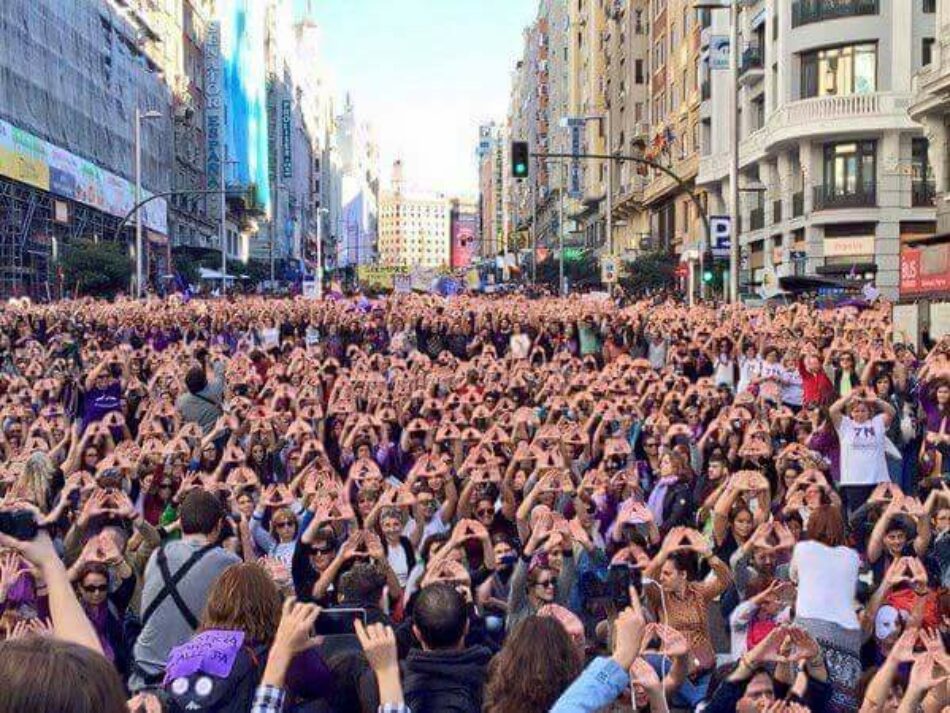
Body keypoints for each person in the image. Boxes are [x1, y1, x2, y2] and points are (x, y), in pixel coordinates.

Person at [130, 490, 242, 690]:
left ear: (181, 522)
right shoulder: (228, 561)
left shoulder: (158, 555)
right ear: (218, 526)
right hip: (187, 683)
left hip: (143, 676)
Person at [790, 506, 862, 712]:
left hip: (810, 629)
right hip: (847, 634)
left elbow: (793, 577)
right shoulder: (852, 556)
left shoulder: (802, 548)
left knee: (806, 696)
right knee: (842, 702)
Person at [402, 583, 492, 713]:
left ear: (416, 633)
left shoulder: (401, 688)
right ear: (467, 627)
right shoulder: (494, 676)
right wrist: (472, 611)